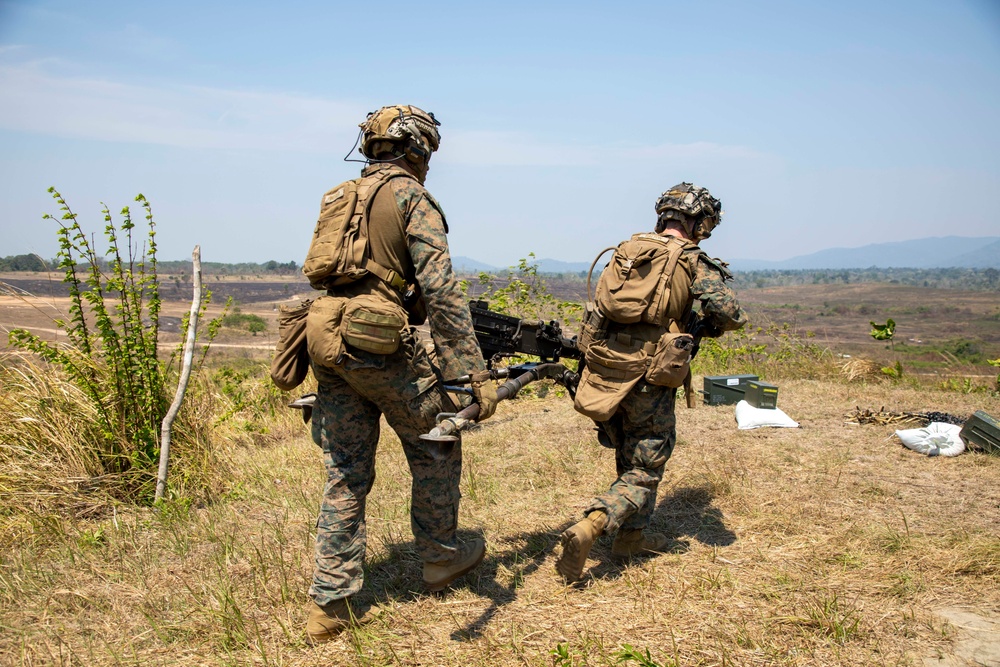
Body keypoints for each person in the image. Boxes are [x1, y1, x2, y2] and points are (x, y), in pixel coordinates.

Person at [303, 105, 498, 642]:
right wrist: (472, 373)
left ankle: (330, 603)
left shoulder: (342, 195)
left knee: (345, 470)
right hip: (377, 341)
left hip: (327, 337)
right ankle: (440, 557)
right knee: (436, 442)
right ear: (416, 148)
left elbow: (348, 273)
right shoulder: (411, 195)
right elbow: (441, 288)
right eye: (427, 151)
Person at [555, 182, 747, 582]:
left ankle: (631, 538)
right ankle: (592, 524)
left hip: (606, 366)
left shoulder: (628, 250)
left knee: (630, 449)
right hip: (650, 373)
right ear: (698, 221)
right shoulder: (691, 259)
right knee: (647, 463)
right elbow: (729, 313)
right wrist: (707, 325)